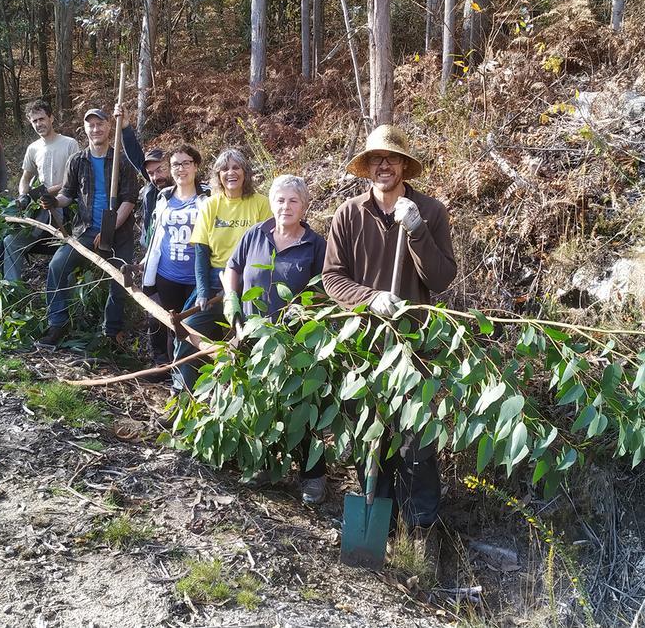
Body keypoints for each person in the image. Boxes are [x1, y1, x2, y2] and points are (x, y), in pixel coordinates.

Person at [323, 125, 457, 533]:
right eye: (377, 159)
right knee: (372, 433)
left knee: (416, 437)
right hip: (364, 345)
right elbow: (332, 278)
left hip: (413, 344)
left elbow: (441, 279)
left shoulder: (430, 212)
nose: (384, 165)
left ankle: (421, 528)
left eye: (392, 158)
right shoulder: (349, 213)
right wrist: (369, 298)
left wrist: (416, 231)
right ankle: (376, 524)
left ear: (404, 166)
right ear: (367, 167)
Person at [223, 174, 328, 503]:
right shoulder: (255, 234)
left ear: (305, 206)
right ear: (271, 203)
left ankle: (313, 477)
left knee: (302, 407)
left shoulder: (315, 245)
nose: (286, 206)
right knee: (261, 401)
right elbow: (233, 266)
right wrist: (231, 299)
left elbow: (326, 289)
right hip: (253, 337)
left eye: (293, 201)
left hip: (297, 345)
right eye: (280, 200)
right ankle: (266, 464)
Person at [35, 107, 143, 347]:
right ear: (85, 129)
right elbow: (67, 195)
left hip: (118, 232)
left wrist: (110, 229)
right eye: (91, 125)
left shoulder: (121, 161)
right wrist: (53, 202)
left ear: (108, 127)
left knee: (120, 279)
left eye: (100, 124)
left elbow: (129, 200)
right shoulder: (78, 160)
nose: (96, 129)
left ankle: (111, 333)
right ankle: (58, 324)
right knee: (57, 266)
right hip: (85, 231)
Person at [172, 148, 272, 391]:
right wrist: (204, 291)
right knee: (188, 332)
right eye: (225, 169)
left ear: (246, 173)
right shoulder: (210, 205)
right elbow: (201, 251)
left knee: (249, 339)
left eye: (236, 167)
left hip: (249, 283)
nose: (231, 173)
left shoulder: (260, 204)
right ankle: (181, 394)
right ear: (217, 175)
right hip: (215, 282)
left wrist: (242, 287)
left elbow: (267, 249)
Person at [141, 144, 208, 367]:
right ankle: (174, 377)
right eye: (175, 165)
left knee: (196, 328)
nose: (181, 169)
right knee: (172, 327)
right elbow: (157, 235)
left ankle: (195, 376)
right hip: (167, 275)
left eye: (186, 163)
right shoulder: (164, 197)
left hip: (197, 277)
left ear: (196, 165)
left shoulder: (209, 196)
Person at [2, 100, 81, 283]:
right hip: (39, 209)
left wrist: (50, 192)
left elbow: (76, 179)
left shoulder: (69, 144)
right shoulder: (33, 148)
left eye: (42, 119)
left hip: (65, 207)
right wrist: (24, 195)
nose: (39, 124)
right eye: (34, 121)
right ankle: (12, 290)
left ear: (51, 118)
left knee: (68, 248)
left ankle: (69, 296)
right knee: (10, 242)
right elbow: (25, 177)